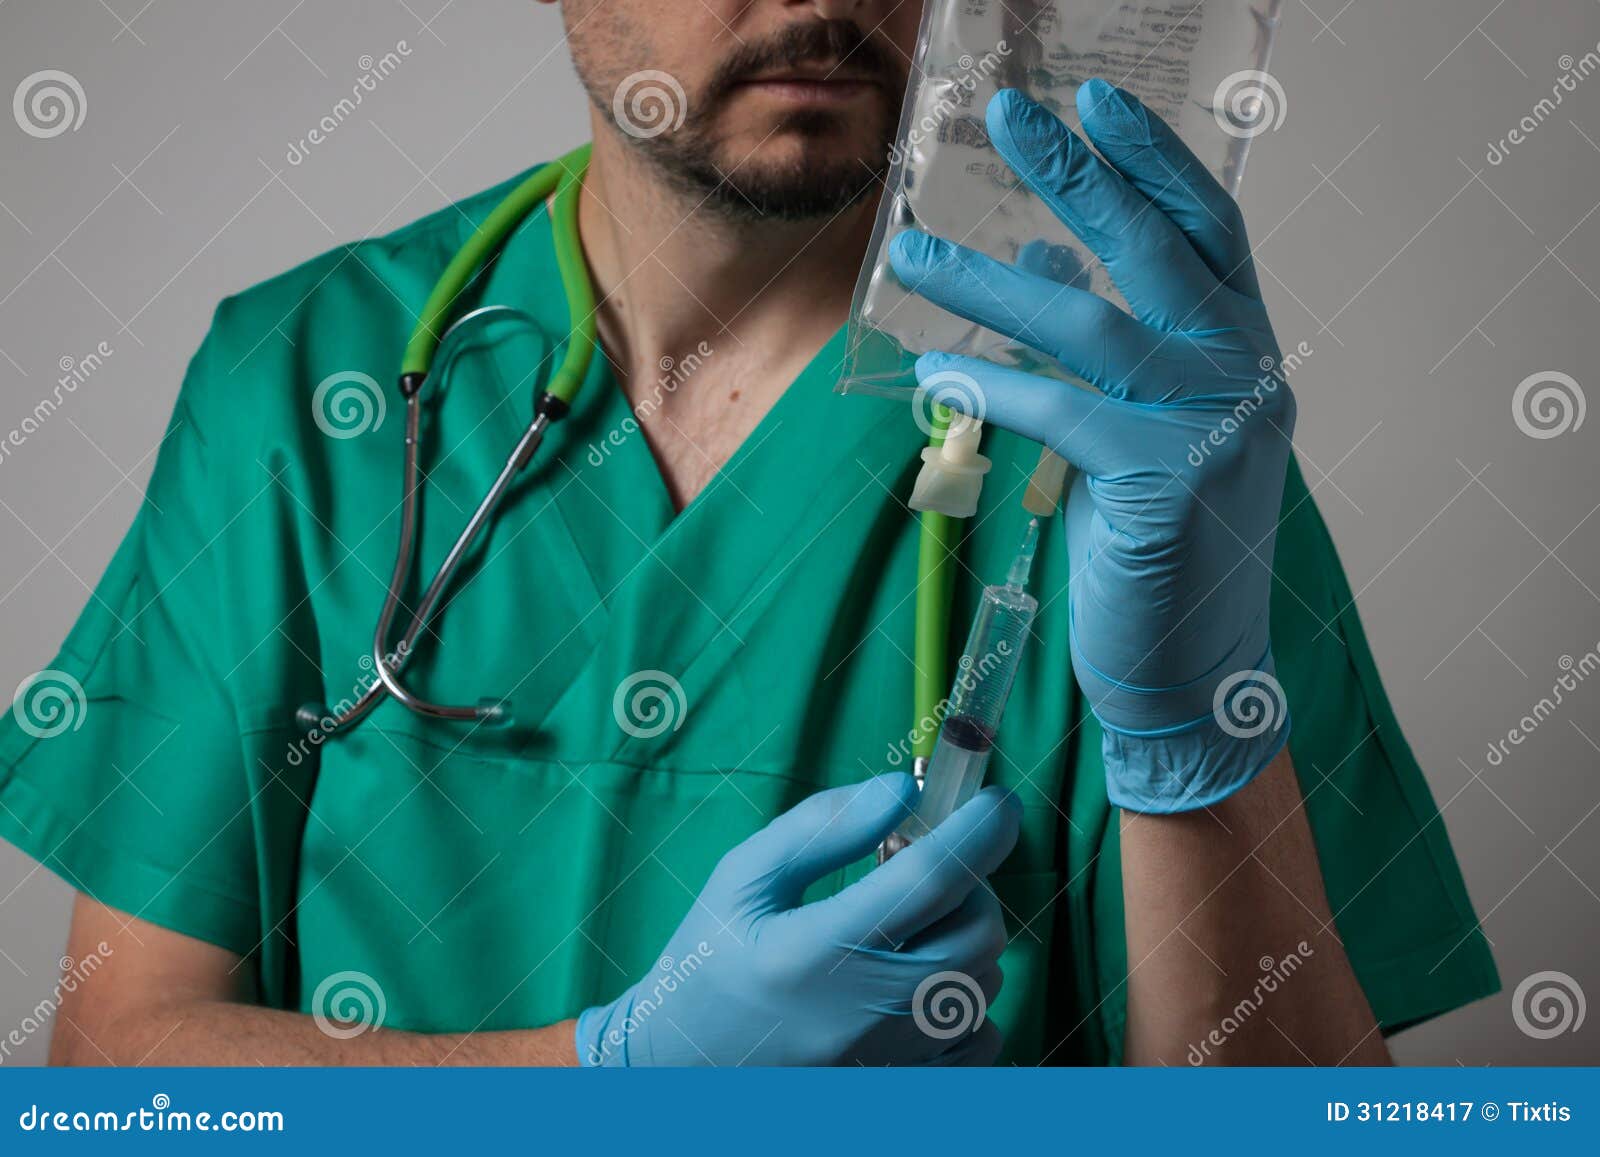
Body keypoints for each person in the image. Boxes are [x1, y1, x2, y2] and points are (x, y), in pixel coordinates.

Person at [0, 0, 1495, 1066]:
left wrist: (1191, 745)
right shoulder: (305, 380)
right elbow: (121, 1075)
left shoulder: (1140, 429)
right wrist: (607, 1079)